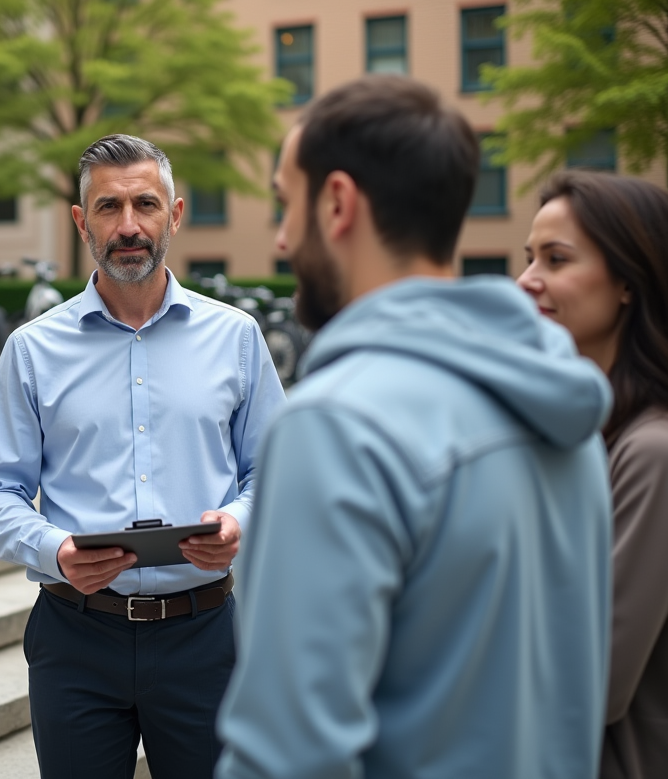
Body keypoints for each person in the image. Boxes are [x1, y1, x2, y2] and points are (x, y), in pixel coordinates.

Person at [216, 75, 614, 779]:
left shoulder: (334, 426)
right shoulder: (565, 407)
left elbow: (287, 757)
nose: (280, 239)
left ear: (337, 202)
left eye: (285, 204)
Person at [0, 133, 285, 779]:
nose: (129, 226)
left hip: (205, 638)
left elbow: (276, 474)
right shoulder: (32, 350)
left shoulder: (237, 338)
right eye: (109, 208)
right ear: (82, 221)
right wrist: (54, 549)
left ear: (176, 214)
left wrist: (237, 525)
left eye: (145, 204)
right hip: (75, 637)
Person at [517, 171, 668, 779]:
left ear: (630, 280)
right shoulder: (580, 435)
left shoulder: (651, 453)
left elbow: (593, 681)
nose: (528, 280)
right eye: (529, 257)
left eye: (556, 259)